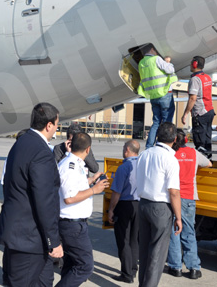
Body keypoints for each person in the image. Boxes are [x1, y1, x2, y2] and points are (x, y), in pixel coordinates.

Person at [0, 102, 64, 287]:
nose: (56, 128)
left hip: (15, 232)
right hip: (28, 238)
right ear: (49, 125)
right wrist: (54, 241)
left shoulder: (22, 143)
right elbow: (44, 201)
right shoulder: (42, 152)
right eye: (56, 124)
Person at [56, 132, 109, 286]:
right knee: (85, 266)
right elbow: (69, 197)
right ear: (88, 149)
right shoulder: (70, 166)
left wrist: (91, 180)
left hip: (75, 223)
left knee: (71, 264)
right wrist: (94, 190)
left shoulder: (75, 163)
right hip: (72, 224)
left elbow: (74, 185)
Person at [136, 122, 182, 287]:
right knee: (157, 254)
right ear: (175, 139)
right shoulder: (170, 158)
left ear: (157, 136)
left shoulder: (144, 154)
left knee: (145, 252)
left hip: (143, 204)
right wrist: (178, 217)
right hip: (160, 208)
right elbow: (174, 192)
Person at [166, 131, 211, 280]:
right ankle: (194, 268)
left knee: (174, 232)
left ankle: (175, 266)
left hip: (174, 197)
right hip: (189, 197)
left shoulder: (170, 154)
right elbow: (209, 163)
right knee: (189, 233)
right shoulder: (193, 152)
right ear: (186, 139)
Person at [107, 139, 141, 284]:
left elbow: (117, 193)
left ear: (127, 149)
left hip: (125, 205)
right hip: (139, 205)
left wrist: (111, 210)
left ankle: (127, 274)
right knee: (135, 239)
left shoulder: (123, 168)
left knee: (123, 241)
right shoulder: (142, 165)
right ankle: (133, 268)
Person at [137, 44, 177, 149]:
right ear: (152, 49)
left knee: (156, 122)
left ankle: (149, 146)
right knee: (166, 123)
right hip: (164, 94)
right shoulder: (156, 59)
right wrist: (167, 62)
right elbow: (170, 70)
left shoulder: (141, 63)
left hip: (153, 96)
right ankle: (162, 146)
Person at [181, 56, 215, 154]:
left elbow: (193, 98)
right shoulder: (207, 77)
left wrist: (185, 114)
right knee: (207, 139)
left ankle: (202, 163)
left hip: (200, 113)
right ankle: (208, 160)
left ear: (195, 64)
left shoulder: (195, 79)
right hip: (209, 111)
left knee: (200, 141)